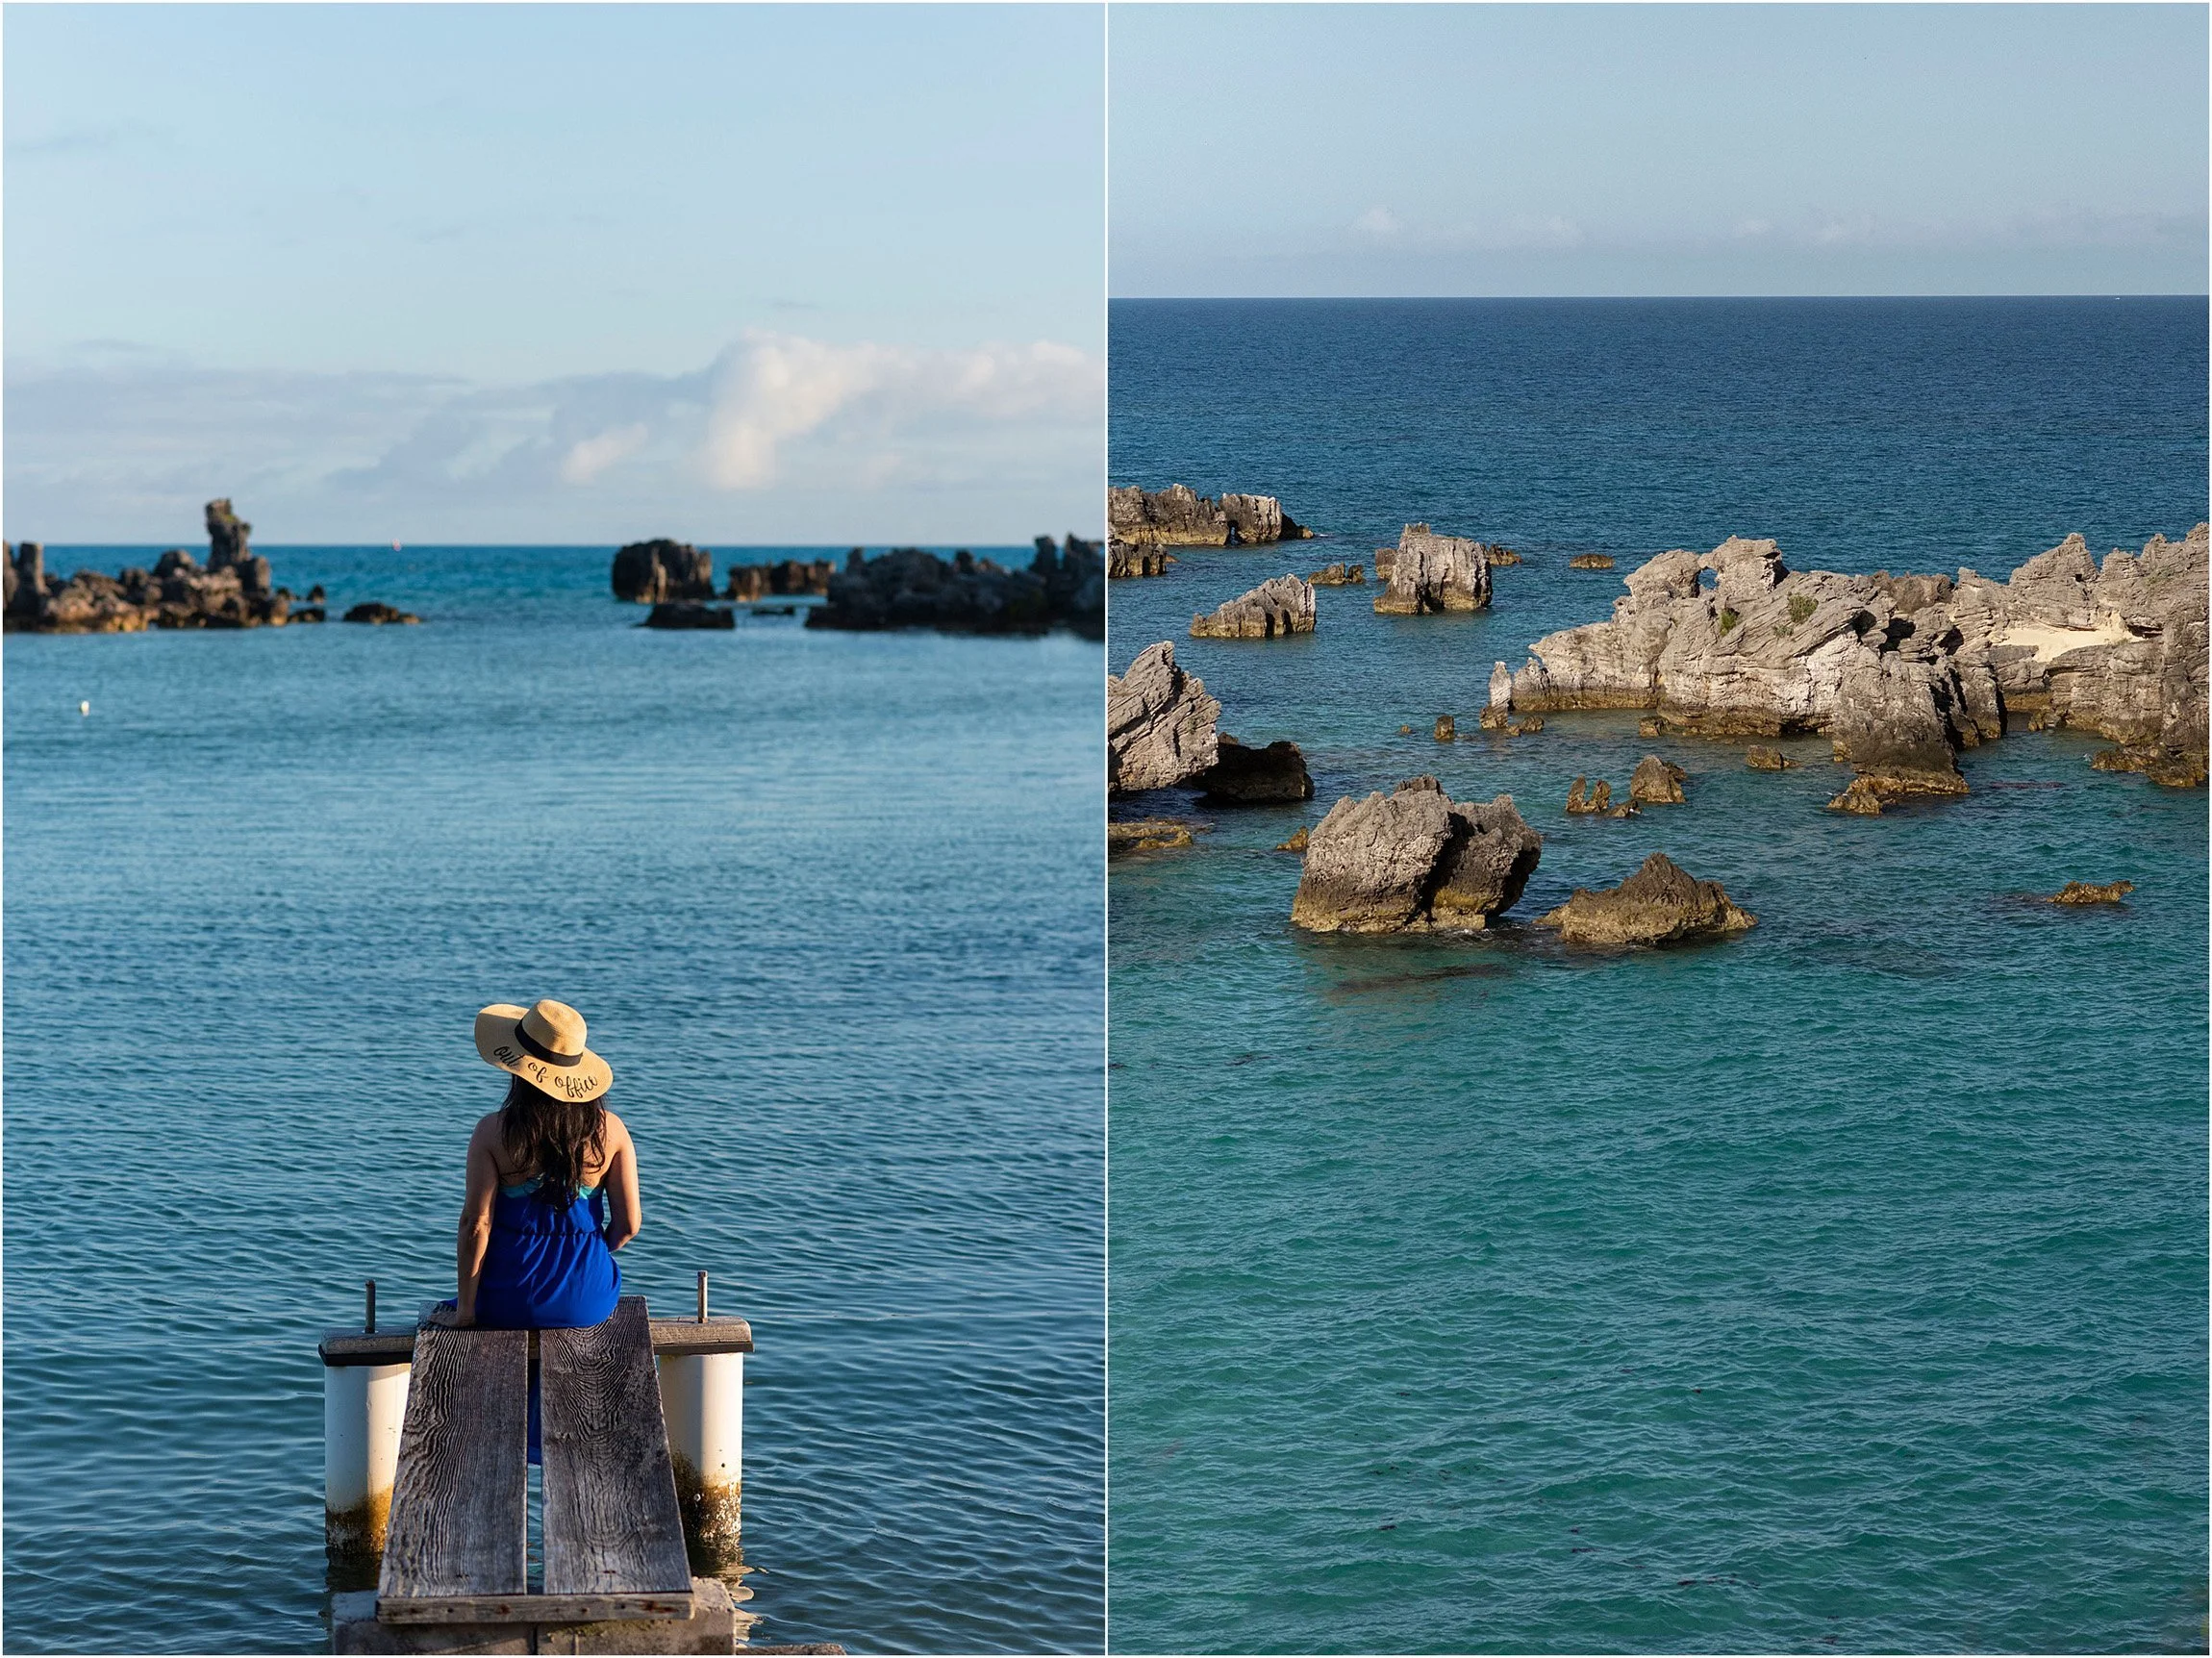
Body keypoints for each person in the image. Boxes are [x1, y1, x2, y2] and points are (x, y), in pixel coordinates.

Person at [426, 998, 641, 1333]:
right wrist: (587, 1249)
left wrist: (465, 1313)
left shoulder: (493, 1132)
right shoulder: (611, 1130)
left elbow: (475, 1226)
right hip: (588, 1299)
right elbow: (629, 1225)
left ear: (518, 1069)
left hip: (507, 1298)